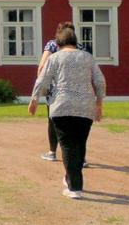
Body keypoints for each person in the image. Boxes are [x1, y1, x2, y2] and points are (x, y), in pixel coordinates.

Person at [28, 24, 105, 200]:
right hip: (85, 107)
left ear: (59, 43)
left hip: (61, 106)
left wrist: (34, 100)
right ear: (75, 41)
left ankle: (74, 187)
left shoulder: (55, 58)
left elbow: (42, 79)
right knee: (79, 143)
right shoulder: (87, 57)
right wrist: (99, 104)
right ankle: (71, 177)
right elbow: (100, 81)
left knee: (67, 145)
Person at [37, 24, 90, 167]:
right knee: (78, 123)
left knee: (53, 120)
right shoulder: (81, 48)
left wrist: (43, 87)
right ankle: (81, 157)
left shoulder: (52, 45)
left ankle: (52, 152)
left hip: (56, 91)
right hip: (79, 91)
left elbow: (42, 66)